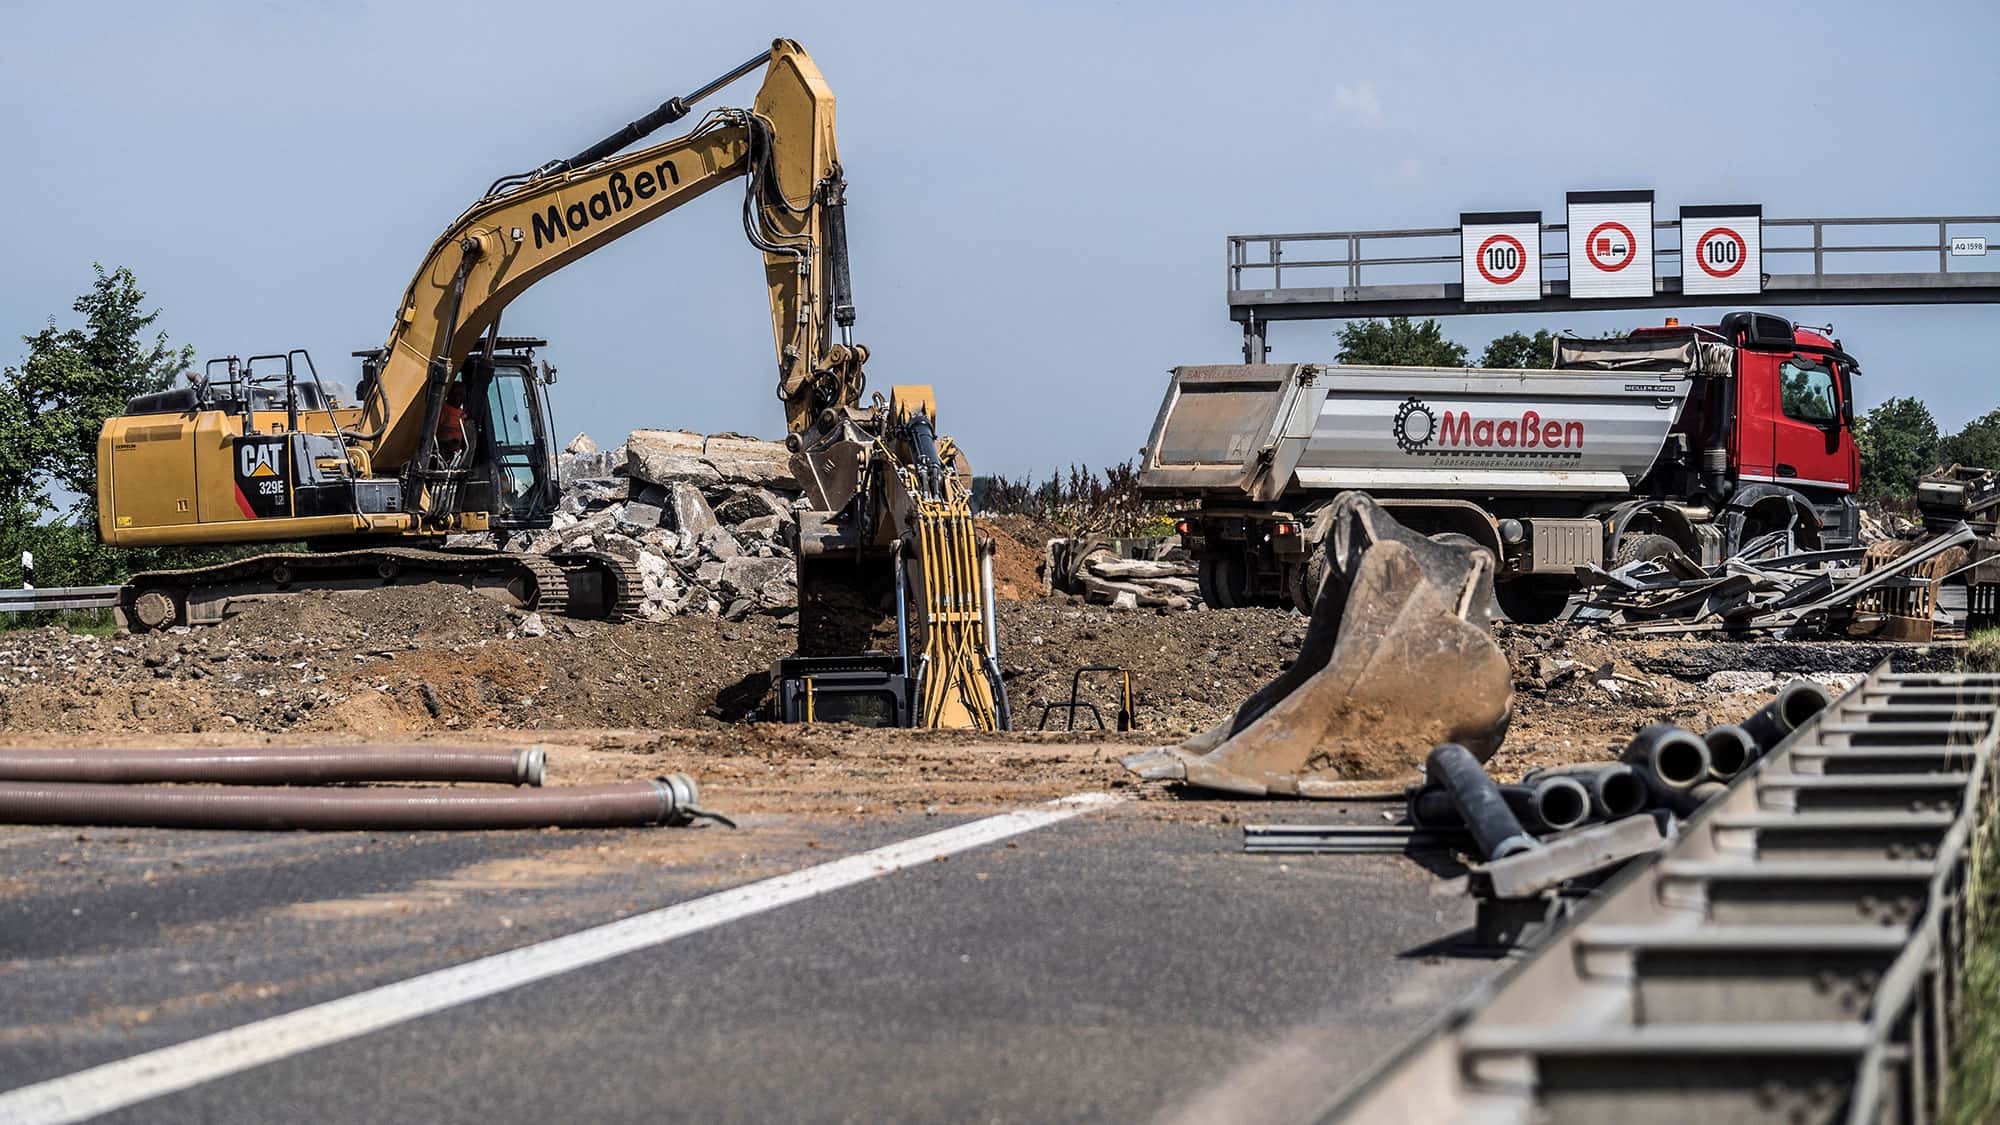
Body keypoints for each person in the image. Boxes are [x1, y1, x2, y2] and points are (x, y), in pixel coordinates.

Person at [436, 384, 468, 462]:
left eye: (461, 395)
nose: (458, 398)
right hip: (443, 446)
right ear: (450, 394)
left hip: (457, 451)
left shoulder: (462, 414)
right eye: (456, 394)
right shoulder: (442, 409)